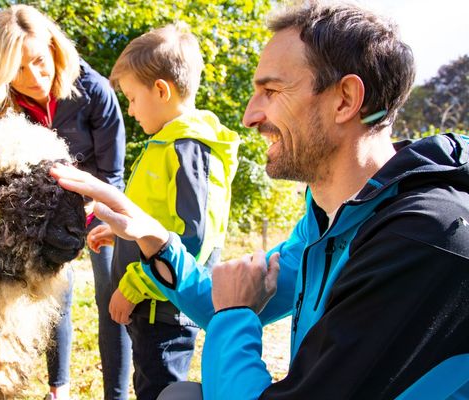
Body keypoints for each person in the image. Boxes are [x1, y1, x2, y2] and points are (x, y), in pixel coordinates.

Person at [50, 1, 469, 399]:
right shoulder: (328, 220)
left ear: (344, 100)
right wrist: (155, 239)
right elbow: (221, 299)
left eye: (271, 91)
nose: (250, 115)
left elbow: (231, 310)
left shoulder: (424, 238)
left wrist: (235, 316)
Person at [0, 5, 130, 400]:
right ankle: (59, 388)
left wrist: (89, 215)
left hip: (97, 204)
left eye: (39, 62)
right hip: (41, 214)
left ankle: (118, 394)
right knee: (53, 294)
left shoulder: (94, 90)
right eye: (18, 70)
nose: (35, 79)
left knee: (111, 292)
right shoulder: (6, 104)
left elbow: (111, 173)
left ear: (54, 47)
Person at [86, 23, 240, 400]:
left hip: (163, 309)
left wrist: (135, 285)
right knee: (149, 385)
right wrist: (120, 233)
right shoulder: (166, 143)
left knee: (161, 390)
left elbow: (193, 241)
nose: (131, 110)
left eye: (133, 98)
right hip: (150, 307)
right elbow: (154, 218)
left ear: (161, 90)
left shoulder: (188, 149)